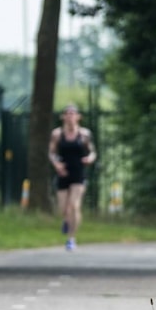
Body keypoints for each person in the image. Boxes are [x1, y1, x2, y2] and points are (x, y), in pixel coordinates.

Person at [49, 104, 97, 251]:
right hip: (63, 173)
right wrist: (56, 164)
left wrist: (89, 159)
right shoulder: (57, 134)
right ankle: (66, 220)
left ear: (78, 117)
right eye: (67, 113)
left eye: (73, 113)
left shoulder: (84, 134)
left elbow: (92, 152)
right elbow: (51, 152)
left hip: (78, 173)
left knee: (74, 205)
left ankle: (71, 238)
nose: (70, 116)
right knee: (63, 208)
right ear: (63, 117)